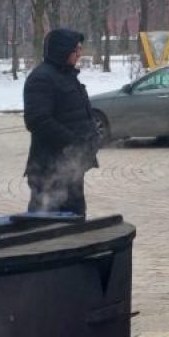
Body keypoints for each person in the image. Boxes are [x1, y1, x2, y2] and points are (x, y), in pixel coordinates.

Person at [23, 29, 98, 215]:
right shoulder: (41, 78)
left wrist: (91, 138)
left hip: (70, 166)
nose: (80, 54)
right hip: (48, 168)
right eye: (76, 49)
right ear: (62, 50)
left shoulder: (67, 76)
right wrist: (73, 142)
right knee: (46, 227)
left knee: (74, 221)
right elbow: (38, 120)